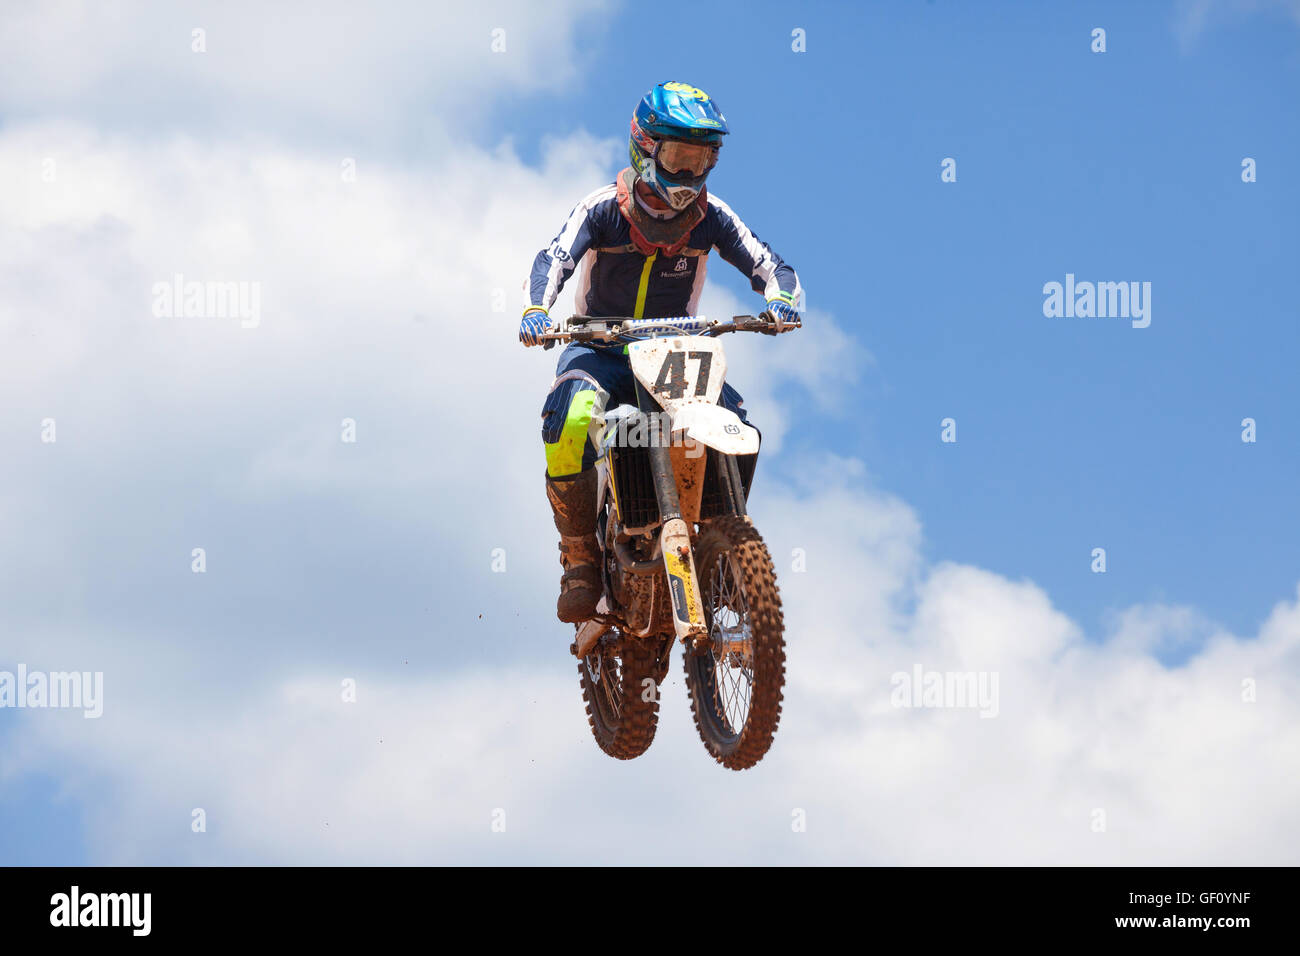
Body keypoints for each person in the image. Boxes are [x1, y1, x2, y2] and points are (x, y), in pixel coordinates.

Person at [520, 81, 804, 623]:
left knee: (734, 423)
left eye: (702, 158)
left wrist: (781, 299)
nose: (690, 173)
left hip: (676, 351)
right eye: (679, 156)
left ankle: (721, 548)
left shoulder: (712, 214)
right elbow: (553, 257)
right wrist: (537, 310)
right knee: (569, 419)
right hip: (598, 344)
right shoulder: (603, 208)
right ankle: (580, 554)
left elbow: (772, 265)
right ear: (645, 147)